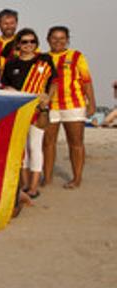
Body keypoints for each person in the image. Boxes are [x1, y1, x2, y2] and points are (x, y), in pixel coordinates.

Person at [2, 28, 57, 199]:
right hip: (19, 109)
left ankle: (34, 185)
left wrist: (48, 98)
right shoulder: (11, 64)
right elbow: (5, 85)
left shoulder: (45, 59)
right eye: (25, 41)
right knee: (21, 148)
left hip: (39, 108)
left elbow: (54, 82)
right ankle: (24, 184)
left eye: (32, 41)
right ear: (18, 44)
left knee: (35, 145)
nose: (29, 45)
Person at [42, 26, 95, 190]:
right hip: (50, 106)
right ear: (48, 39)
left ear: (67, 40)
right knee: (48, 143)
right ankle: (48, 178)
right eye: (54, 38)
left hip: (73, 105)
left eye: (62, 38)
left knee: (76, 143)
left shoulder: (76, 56)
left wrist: (92, 103)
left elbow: (86, 81)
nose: (58, 41)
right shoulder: (42, 58)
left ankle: (77, 178)